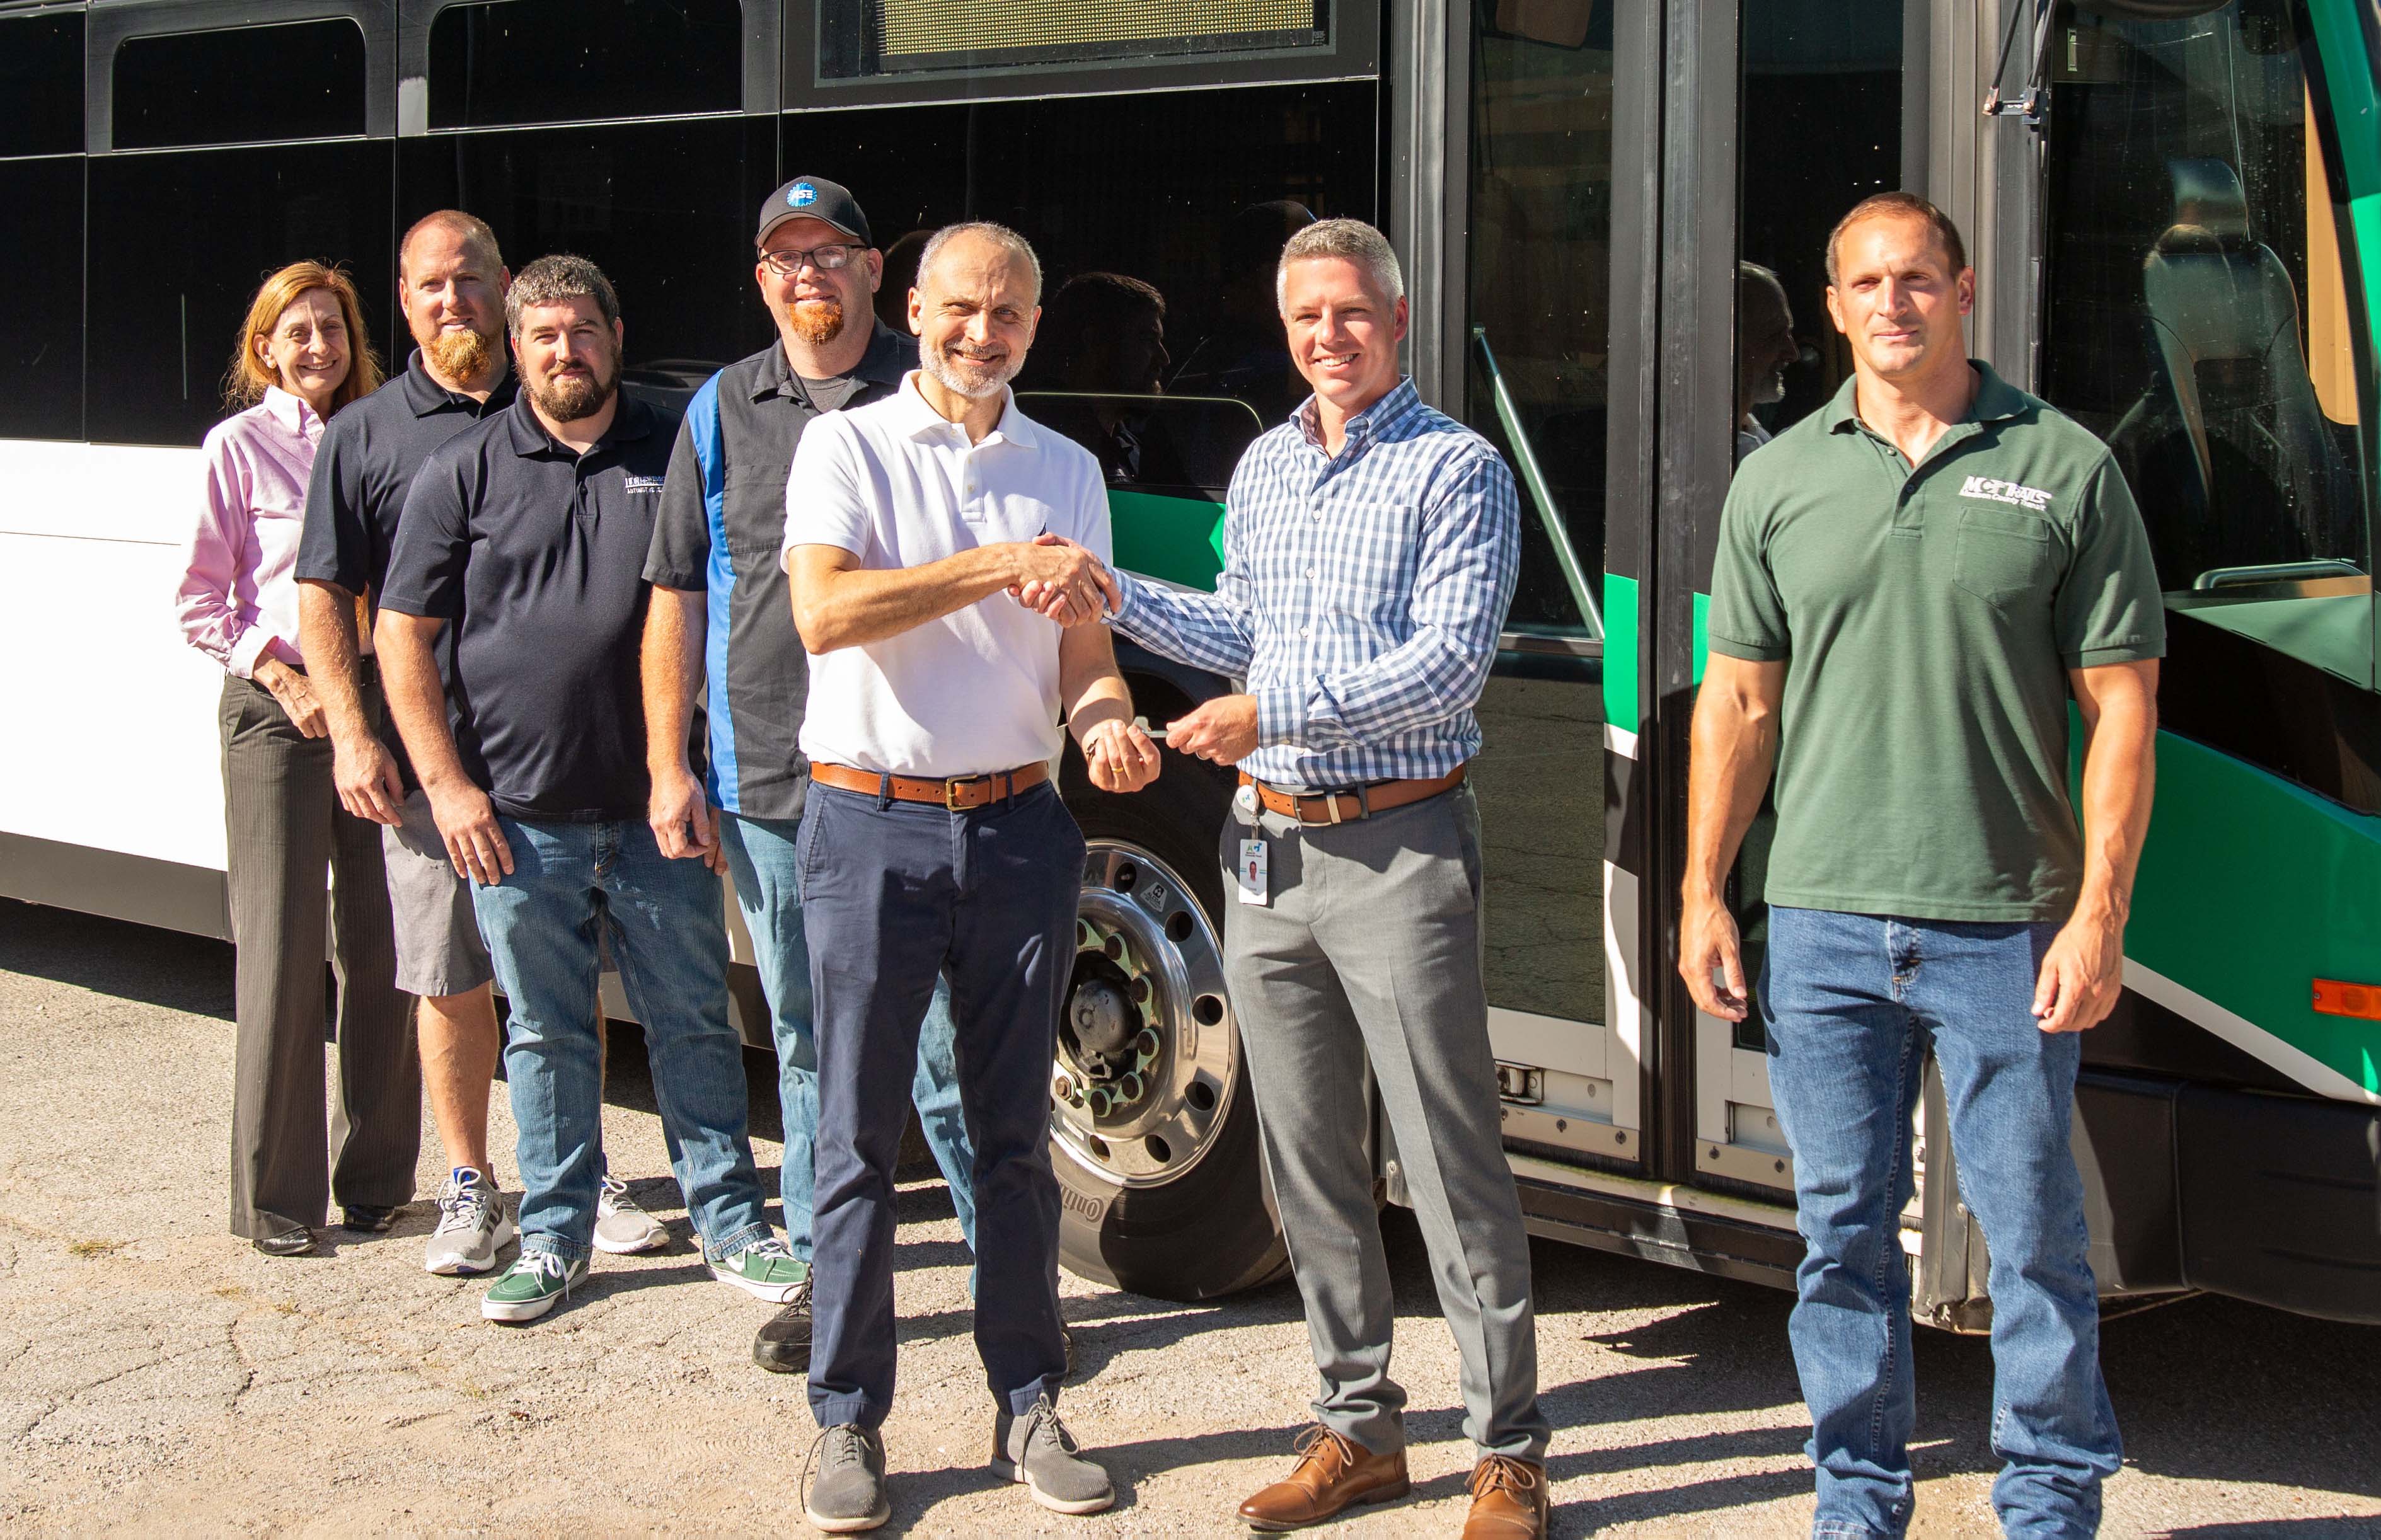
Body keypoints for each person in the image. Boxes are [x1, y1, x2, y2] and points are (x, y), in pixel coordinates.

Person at [1681, 192, 2160, 1538]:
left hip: (2003, 926)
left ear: (1961, 294)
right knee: (1838, 1242)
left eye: (1914, 278)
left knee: (2032, 1244)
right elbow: (1737, 706)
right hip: (1819, 924)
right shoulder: (1774, 479)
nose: (1889, 302)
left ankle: (2050, 1505)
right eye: (1863, 282)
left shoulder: (2062, 467)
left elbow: (2120, 708)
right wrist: (1701, 890)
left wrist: (2097, 917)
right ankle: (1855, 1502)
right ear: (1828, 309)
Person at [1097, 217, 1551, 1540]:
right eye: (1305, 318)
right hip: (1263, 854)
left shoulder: (1455, 470)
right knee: (1307, 1168)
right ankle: (1356, 1426)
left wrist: (1267, 709)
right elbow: (1236, 622)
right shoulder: (1263, 465)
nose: (1326, 338)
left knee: (1448, 1160)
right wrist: (1107, 592)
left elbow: (1446, 666)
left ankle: (1506, 1450)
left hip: (1397, 849)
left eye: (1350, 314)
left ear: (1396, 321)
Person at [781, 221, 1158, 1532]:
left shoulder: (1064, 466)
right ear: (916, 308)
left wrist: (1104, 718)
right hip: (867, 825)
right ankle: (846, 1420)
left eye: (1005, 314)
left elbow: (1083, 654)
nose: (978, 333)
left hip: (1015, 828)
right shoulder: (847, 444)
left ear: (1032, 328)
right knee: (856, 1140)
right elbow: (825, 613)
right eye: (957, 308)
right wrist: (999, 564)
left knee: (1015, 1141)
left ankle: (1030, 1398)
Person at [374, 254, 808, 1325]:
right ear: (515, 350)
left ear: (616, 332)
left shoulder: (677, 441)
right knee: (548, 1033)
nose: (565, 352)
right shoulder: (464, 470)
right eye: (543, 337)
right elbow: (401, 636)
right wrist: (448, 786)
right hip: (516, 822)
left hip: (664, 807)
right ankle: (557, 1234)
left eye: (582, 330)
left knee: (694, 1020)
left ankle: (730, 1223)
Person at [641, 175, 980, 1377]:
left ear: (873, 267)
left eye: (829, 252)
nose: (807, 275)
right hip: (771, 777)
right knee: (804, 1036)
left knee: (940, 1039)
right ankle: (832, 1276)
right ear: (761, 279)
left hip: (909, 767)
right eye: (784, 258)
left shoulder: (930, 383)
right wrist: (666, 764)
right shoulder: (721, 409)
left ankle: (1002, 1278)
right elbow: (677, 593)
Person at [298, 211, 669, 1276]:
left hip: (559, 764)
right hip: (433, 772)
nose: (450, 299)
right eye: (428, 285)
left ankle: (579, 1170)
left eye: (469, 279)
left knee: (561, 982)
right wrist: (354, 732)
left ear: (506, 292)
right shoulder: (364, 432)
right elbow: (326, 592)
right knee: (450, 972)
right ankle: (469, 1181)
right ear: (403, 301)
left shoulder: (554, 401)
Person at [176, 261, 412, 1259]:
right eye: (297, 331)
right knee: (278, 953)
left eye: (333, 329)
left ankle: (376, 1183)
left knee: (383, 948)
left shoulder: (382, 434)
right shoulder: (237, 446)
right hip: (278, 712)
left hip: (375, 706)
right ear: (264, 347)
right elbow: (201, 602)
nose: (318, 346)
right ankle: (276, 1199)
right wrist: (287, 684)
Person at [1016, 271, 1189, 486]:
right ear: (1096, 342)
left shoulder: (1133, 447)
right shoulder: (1039, 447)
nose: (1164, 359)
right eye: (1147, 339)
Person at [1736, 261, 1798, 463]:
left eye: (1787, 334)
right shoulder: (1689, 454)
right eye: (1773, 336)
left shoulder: (1757, 439)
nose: (1793, 354)